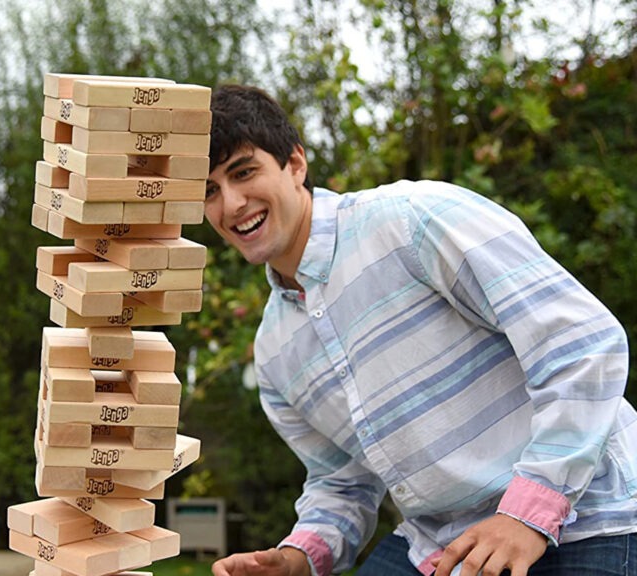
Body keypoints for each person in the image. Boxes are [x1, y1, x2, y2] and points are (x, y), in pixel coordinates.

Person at [204, 85, 637, 576]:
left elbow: (581, 343)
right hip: (445, 543)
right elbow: (342, 482)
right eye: (210, 191)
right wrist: (300, 556)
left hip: (591, 515)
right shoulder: (275, 352)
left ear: (296, 164)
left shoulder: (411, 220)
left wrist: (525, 514)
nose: (233, 203)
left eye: (243, 172)